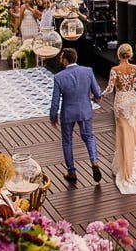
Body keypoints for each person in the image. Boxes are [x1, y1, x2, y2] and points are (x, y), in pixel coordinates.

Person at [104, 44, 136, 194]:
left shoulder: (115, 70)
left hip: (121, 101)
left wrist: (98, 95)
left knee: (124, 132)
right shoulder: (135, 68)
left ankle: (127, 167)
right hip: (132, 99)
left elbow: (110, 89)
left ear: (119, 55)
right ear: (130, 55)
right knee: (133, 128)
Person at [49, 48, 103, 183]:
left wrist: (53, 117)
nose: (60, 60)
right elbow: (97, 92)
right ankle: (94, 162)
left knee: (67, 141)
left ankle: (71, 172)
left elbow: (55, 101)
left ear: (65, 60)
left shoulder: (58, 77)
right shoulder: (88, 71)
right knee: (89, 137)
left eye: (61, 58)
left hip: (67, 113)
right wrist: (96, 98)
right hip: (85, 110)